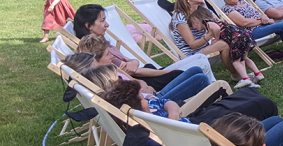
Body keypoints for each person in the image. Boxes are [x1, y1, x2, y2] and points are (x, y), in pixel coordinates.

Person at [72, 4, 216, 86]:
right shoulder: (95, 52)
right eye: (102, 21)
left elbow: (131, 63)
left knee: (201, 58)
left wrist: (134, 62)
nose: (107, 24)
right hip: (147, 82)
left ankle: (214, 89)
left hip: (148, 74)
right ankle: (214, 90)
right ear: (88, 25)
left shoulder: (102, 43)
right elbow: (132, 72)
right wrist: (165, 72)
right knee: (201, 65)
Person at [73, 37, 213, 103]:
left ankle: (212, 96)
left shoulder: (110, 70)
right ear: (96, 60)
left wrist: (145, 87)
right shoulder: (106, 80)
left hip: (151, 94)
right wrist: (146, 92)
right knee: (199, 79)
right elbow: (134, 101)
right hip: (154, 103)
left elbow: (136, 81)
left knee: (195, 70)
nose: (111, 56)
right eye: (107, 55)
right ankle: (212, 100)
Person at [169, 0, 251, 74]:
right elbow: (192, 44)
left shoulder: (202, 10)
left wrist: (217, 28)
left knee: (237, 39)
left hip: (205, 45)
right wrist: (209, 36)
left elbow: (219, 23)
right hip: (190, 53)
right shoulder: (180, 17)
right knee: (223, 45)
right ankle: (237, 75)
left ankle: (244, 74)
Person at [187, 7, 263, 87]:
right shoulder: (216, 21)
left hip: (237, 39)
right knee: (243, 58)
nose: (194, 26)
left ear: (200, 19)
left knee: (235, 61)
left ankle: (245, 79)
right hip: (245, 35)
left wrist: (216, 39)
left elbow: (216, 28)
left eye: (194, 23)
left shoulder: (208, 23)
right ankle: (258, 74)